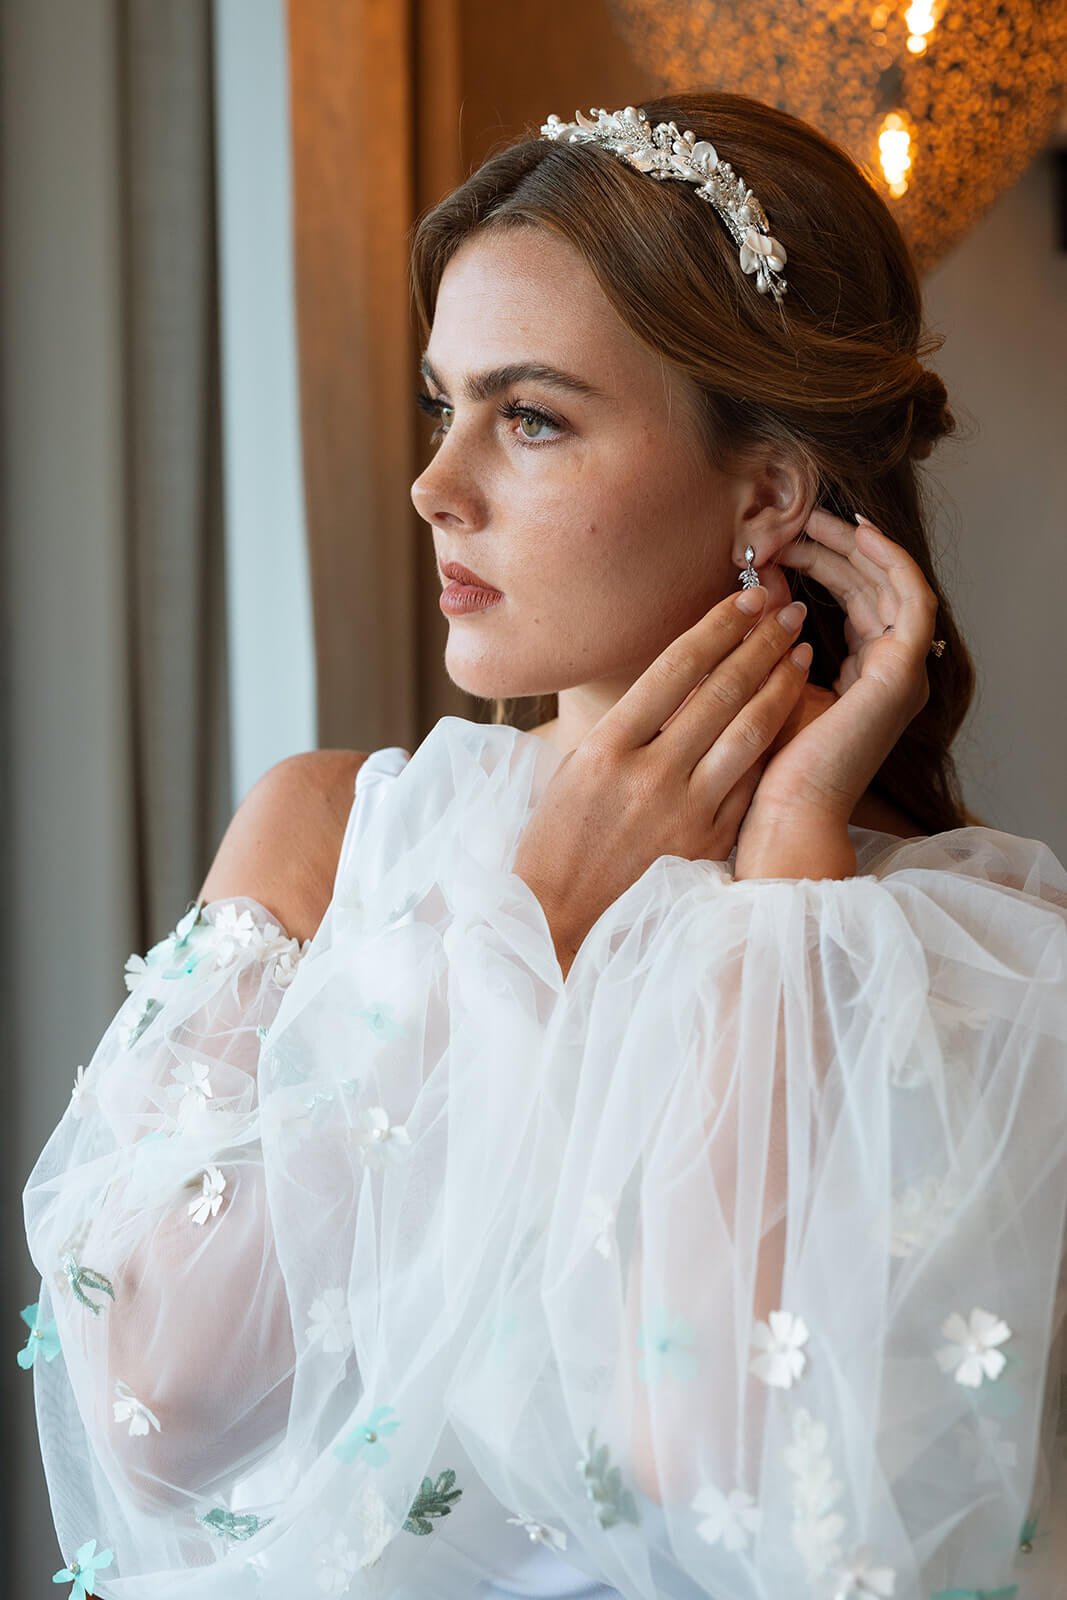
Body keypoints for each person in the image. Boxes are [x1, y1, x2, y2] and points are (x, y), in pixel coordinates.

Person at [21, 91, 1067, 1600]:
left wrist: (786, 872)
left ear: (767, 493)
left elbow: (720, 1476)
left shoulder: (950, 949)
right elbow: (159, 1411)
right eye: (442, 404)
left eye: (530, 418)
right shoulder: (326, 836)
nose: (435, 487)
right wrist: (526, 918)